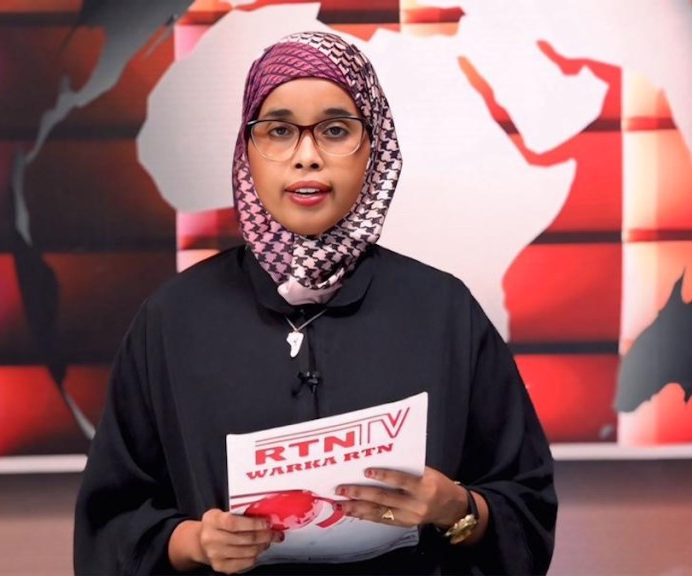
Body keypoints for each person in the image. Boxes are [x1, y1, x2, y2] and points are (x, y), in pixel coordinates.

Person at [74, 31, 557, 575]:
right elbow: (110, 523)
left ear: (373, 148)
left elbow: (527, 505)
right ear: (246, 150)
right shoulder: (173, 319)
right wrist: (194, 543)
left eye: (335, 130)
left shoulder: (444, 312)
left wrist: (456, 509)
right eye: (279, 131)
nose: (307, 158)